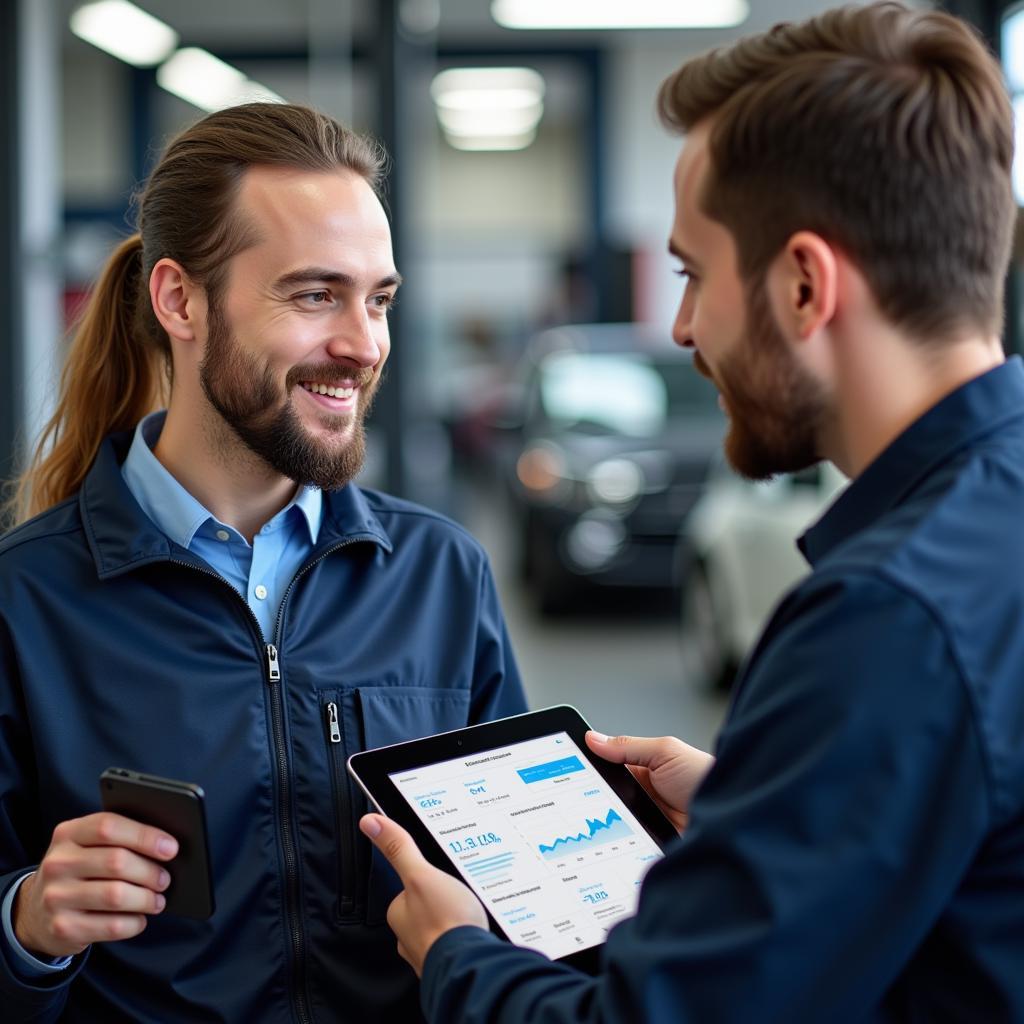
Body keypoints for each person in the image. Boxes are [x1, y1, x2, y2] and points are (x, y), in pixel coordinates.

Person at [359, 3, 1024, 1020]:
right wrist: (764, 803)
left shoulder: (889, 617)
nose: (678, 327)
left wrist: (456, 954)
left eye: (692, 273)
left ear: (804, 284)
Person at [0, 103, 526, 1022]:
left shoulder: (442, 575)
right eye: (315, 294)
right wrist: (27, 924)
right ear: (180, 301)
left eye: (379, 298)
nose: (363, 345)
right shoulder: (25, 601)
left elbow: (525, 903)